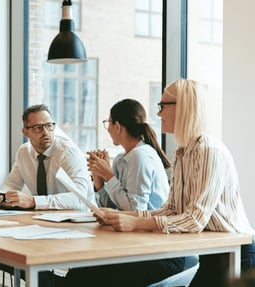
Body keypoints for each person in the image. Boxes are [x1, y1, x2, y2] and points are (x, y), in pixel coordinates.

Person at [59, 79, 255, 286]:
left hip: (237, 255)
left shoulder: (207, 150)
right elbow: (171, 209)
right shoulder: (183, 152)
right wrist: (125, 215)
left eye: (162, 106)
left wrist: (135, 221)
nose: (158, 114)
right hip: (212, 252)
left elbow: (194, 220)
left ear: (183, 106)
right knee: (82, 276)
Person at [0, 104, 95, 286]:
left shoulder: (68, 152)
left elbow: (79, 198)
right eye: (38, 128)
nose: (46, 132)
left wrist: (33, 201)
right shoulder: (23, 152)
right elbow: (12, 184)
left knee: (29, 264)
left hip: (78, 224)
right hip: (44, 223)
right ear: (25, 132)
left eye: (49, 125)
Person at [87, 98, 170, 211]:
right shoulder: (120, 159)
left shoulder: (140, 157)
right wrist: (99, 179)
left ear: (117, 126)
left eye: (108, 123)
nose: (108, 130)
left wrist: (108, 175)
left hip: (149, 227)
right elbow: (111, 207)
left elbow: (136, 210)